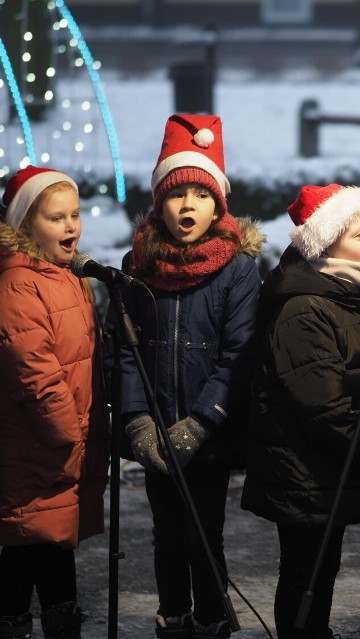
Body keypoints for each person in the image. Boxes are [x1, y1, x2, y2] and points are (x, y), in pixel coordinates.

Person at [108, 114, 264, 639]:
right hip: (156, 427)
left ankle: (213, 615)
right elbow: (125, 350)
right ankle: (172, 613)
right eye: (177, 195)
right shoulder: (137, 264)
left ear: (217, 203)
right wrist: (136, 419)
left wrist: (202, 421)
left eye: (200, 194)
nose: (187, 206)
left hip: (206, 432)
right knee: (167, 530)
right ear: (160, 203)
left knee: (203, 531)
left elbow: (240, 351)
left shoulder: (236, 269)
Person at [240, 183, 360, 639]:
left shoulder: (353, 293)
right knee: (305, 572)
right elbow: (322, 402)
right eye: (359, 233)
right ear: (326, 243)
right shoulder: (306, 306)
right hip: (303, 464)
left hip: (331, 460)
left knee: (320, 570)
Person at [0, 166, 109, 639]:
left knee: (54, 548)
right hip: (38, 450)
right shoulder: (18, 284)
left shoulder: (65, 275)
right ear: (25, 226)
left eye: (76, 215)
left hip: (62, 449)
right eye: (56, 217)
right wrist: (72, 436)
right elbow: (36, 376)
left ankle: (62, 623)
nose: (71, 226)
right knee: (26, 546)